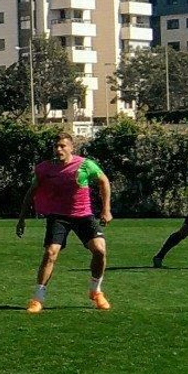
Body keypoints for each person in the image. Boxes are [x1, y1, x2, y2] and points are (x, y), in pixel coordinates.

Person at [15, 131, 113, 314]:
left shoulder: (85, 165)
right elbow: (31, 191)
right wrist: (21, 218)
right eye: (56, 146)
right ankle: (37, 298)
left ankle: (96, 291)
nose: (59, 149)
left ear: (71, 147)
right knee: (51, 253)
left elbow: (104, 181)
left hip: (83, 216)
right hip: (58, 216)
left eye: (63, 146)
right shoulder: (45, 168)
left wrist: (106, 209)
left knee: (100, 250)